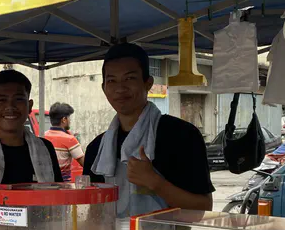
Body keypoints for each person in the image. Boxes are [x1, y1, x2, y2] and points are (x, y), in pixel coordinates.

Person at [84, 43, 214, 217]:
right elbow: (94, 216)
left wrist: (155, 183)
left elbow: (202, 209)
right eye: (111, 80)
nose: (120, 88)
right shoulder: (96, 150)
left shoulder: (181, 135)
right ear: (104, 88)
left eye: (129, 78)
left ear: (148, 83)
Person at [44, 102, 85, 182]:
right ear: (64, 120)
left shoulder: (42, 136)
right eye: (69, 118)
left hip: (45, 184)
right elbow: (85, 164)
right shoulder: (69, 139)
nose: (70, 121)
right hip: (63, 185)